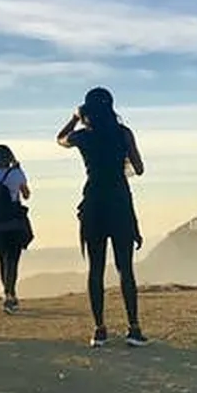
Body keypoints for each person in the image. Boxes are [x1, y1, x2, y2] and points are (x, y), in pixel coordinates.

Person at [57, 87, 148, 348]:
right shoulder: (123, 133)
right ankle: (134, 328)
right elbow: (139, 169)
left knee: (95, 269)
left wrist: (75, 117)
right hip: (120, 202)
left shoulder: (84, 136)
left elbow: (60, 139)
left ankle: (99, 329)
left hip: (94, 202)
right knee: (125, 269)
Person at [0, 144, 32, 314]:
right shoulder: (16, 173)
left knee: (2, 259)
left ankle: (7, 293)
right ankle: (11, 294)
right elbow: (26, 195)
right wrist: (18, 174)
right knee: (13, 260)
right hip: (14, 222)